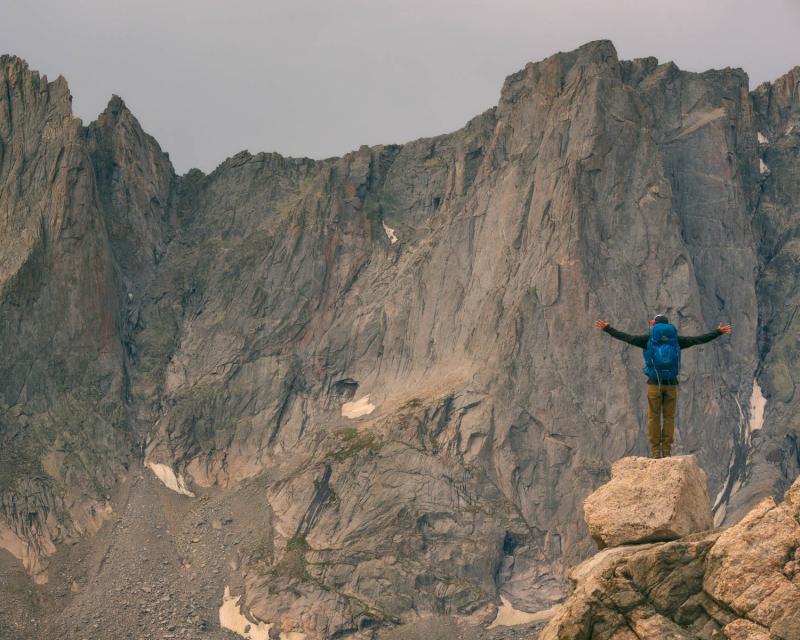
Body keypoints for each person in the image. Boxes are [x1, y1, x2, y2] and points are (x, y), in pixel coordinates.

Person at [595, 315, 733, 458]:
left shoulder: (648, 340)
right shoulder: (677, 342)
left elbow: (626, 337)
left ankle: (655, 451)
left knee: (654, 417)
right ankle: (666, 450)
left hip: (654, 384)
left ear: (655, 325)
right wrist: (718, 332)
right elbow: (699, 339)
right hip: (671, 385)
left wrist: (607, 328)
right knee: (669, 417)